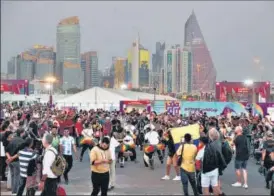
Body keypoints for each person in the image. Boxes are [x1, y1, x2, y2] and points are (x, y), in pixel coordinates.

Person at [6, 128, 26, 194]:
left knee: (13, 176)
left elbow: (6, 151)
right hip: (17, 161)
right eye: (24, 132)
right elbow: (20, 153)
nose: (24, 134)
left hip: (11, 162)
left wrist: (9, 158)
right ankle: (15, 192)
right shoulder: (22, 141)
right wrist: (11, 158)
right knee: (17, 177)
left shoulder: (12, 140)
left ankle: (13, 191)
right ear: (21, 133)